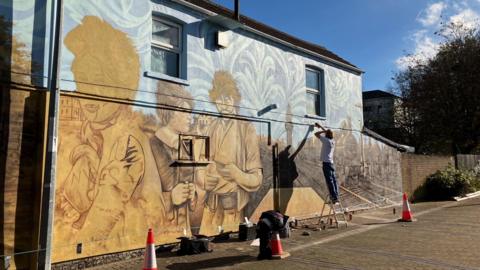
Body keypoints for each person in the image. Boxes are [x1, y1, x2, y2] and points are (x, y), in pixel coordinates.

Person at [314, 123, 339, 203]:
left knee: (329, 180)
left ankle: (334, 198)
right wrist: (323, 128)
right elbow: (327, 134)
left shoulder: (326, 141)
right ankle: (336, 196)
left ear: (326, 135)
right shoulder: (332, 141)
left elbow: (316, 134)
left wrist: (322, 130)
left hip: (326, 163)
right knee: (334, 180)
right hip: (331, 163)